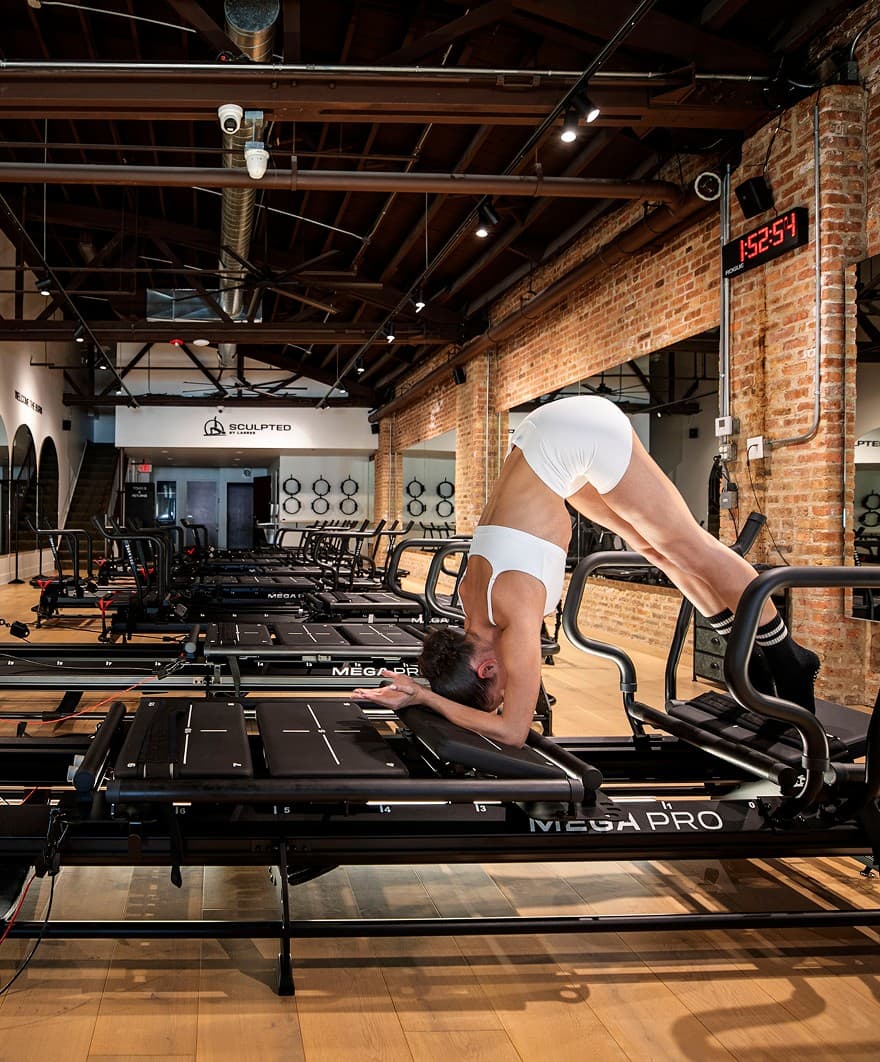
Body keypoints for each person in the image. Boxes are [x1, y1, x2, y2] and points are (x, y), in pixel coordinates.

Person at [353, 395, 819, 748]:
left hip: (576, 436)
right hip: (552, 444)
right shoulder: (474, 610)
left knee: (688, 544)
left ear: (487, 667)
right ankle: (753, 655)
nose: (514, 687)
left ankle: (788, 662)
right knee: (655, 550)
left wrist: (425, 697)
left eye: (500, 688)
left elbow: (513, 731)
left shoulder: (510, 621)